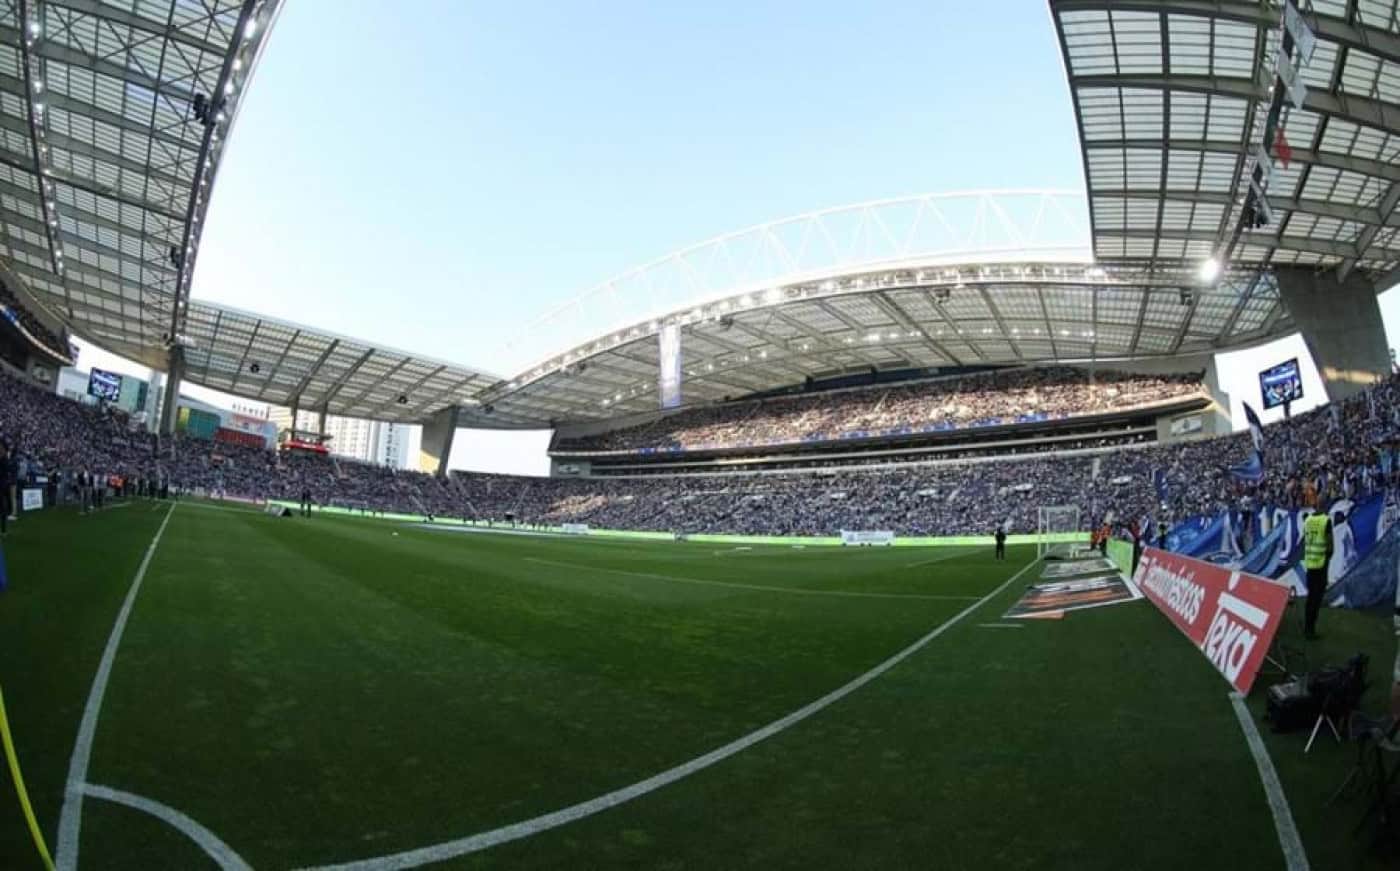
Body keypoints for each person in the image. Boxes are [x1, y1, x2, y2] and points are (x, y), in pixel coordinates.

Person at [1302, 510, 1334, 640]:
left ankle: (1307, 627)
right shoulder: (1326, 521)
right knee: (1316, 598)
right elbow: (1330, 544)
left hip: (1310, 563)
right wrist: (1328, 557)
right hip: (1321, 564)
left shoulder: (1308, 521)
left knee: (1310, 597)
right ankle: (1310, 629)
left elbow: (1306, 540)